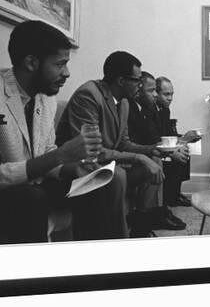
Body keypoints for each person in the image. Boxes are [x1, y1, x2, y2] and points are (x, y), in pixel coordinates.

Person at [0, 20, 126, 244]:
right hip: (2, 193)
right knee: (31, 198)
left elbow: (46, 151)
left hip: (37, 183)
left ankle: (103, 263)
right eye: (60, 64)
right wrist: (62, 155)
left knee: (108, 180)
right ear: (31, 62)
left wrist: (73, 168)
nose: (67, 73)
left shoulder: (45, 97)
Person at [56, 51, 178, 237]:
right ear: (121, 80)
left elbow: (124, 143)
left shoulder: (124, 102)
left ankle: (141, 227)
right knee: (119, 174)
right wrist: (139, 157)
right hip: (80, 166)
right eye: (137, 80)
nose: (140, 84)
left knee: (153, 162)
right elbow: (91, 151)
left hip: (108, 162)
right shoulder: (88, 95)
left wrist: (152, 149)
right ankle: (119, 239)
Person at [127, 72, 187, 229]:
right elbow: (149, 137)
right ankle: (159, 213)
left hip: (147, 148)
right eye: (152, 91)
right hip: (137, 153)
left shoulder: (145, 108)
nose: (154, 95)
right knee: (159, 160)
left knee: (181, 150)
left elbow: (161, 135)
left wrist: (180, 143)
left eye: (171, 94)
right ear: (139, 90)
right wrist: (166, 150)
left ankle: (167, 203)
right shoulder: (133, 107)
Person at [155, 76, 201, 207]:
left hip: (164, 143)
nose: (170, 98)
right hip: (156, 147)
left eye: (171, 94)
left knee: (185, 148)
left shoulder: (165, 109)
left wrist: (187, 138)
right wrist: (183, 139)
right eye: (166, 94)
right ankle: (172, 196)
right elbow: (156, 138)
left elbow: (169, 133)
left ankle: (175, 192)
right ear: (156, 93)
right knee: (180, 151)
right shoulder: (152, 110)